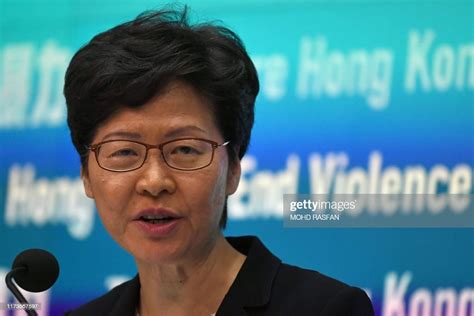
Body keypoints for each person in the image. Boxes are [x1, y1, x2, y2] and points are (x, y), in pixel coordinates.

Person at [63, 6, 374, 316]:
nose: (154, 182)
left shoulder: (325, 309)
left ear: (233, 169)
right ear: (86, 175)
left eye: (184, 149)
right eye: (125, 152)